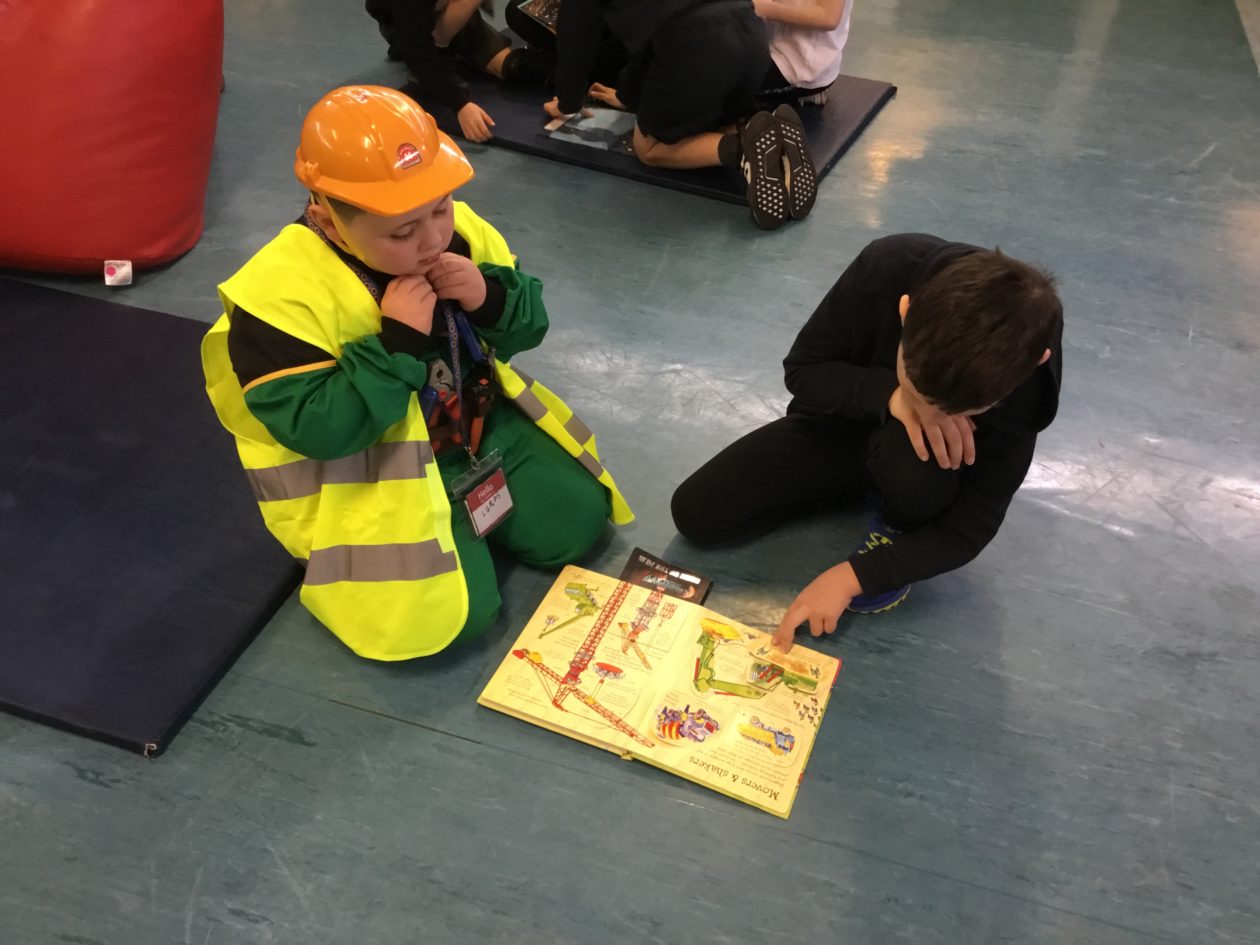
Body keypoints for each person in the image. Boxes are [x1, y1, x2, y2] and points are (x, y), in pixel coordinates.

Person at [202, 86, 633, 661]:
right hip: (373, 470)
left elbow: (527, 328)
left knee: (577, 525)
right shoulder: (276, 296)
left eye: (439, 208)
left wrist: (488, 297)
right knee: (457, 619)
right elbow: (320, 431)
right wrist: (395, 345)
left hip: (477, 427)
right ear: (328, 221)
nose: (432, 240)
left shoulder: (460, 232)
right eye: (401, 232)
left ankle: (471, 509)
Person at [670, 233, 1063, 650]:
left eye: (962, 411)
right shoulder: (885, 266)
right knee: (697, 513)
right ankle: (861, 488)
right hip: (840, 424)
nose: (931, 414)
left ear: (1036, 363)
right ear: (905, 310)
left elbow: (971, 525)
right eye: (918, 390)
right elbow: (803, 369)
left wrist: (857, 576)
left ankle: (898, 521)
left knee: (914, 468)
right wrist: (891, 397)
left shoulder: (1027, 373)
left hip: (928, 469)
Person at [545, 0, 819, 230]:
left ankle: (742, 149)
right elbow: (648, 42)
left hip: (696, 48)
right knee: (715, 118)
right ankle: (774, 146)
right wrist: (627, 97)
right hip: (752, 37)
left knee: (649, 147)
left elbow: (576, 42)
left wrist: (567, 103)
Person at [366, 0, 552, 142]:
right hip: (403, 22)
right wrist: (460, 105)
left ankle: (565, 80)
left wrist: (567, 87)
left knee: (511, 66)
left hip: (450, 13)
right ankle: (436, 51)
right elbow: (416, 49)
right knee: (424, 58)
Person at [754, 0, 853, 106]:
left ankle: (808, 89)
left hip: (797, 62)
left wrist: (766, 9)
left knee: (740, 85)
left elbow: (828, 18)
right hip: (770, 42)